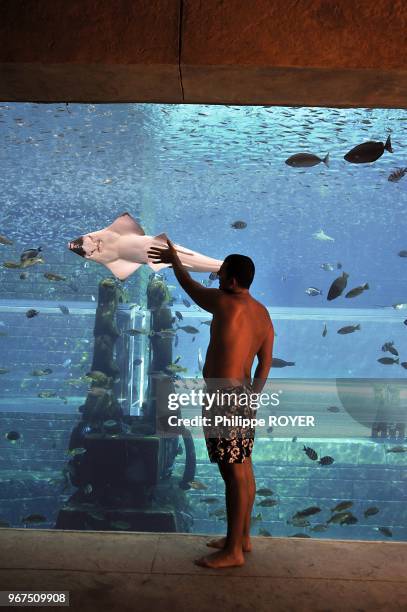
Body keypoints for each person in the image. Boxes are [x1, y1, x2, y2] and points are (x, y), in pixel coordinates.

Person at [147, 239, 274, 568]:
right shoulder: (262, 314)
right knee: (244, 467)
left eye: (220, 275)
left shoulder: (223, 302)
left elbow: (188, 285)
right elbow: (265, 363)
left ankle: (232, 552)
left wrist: (174, 259)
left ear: (232, 282)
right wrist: (253, 397)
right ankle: (241, 538)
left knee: (231, 473)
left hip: (223, 397)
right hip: (245, 396)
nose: (216, 280)